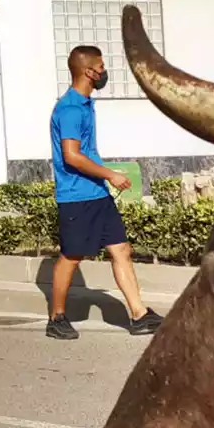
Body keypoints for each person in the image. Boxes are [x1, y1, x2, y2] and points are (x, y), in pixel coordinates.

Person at [46, 45, 164, 340]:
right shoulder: (71, 109)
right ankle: (56, 318)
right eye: (100, 67)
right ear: (88, 71)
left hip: (97, 193)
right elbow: (71, 156)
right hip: (76, 196)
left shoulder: (85, 104)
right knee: (72, 256)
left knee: (120, 250)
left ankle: (138, 314)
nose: (103, 71)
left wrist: (104, 179)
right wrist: (111, 173)